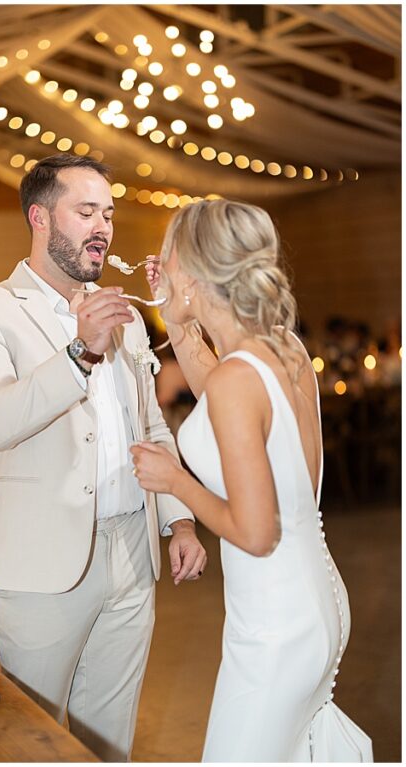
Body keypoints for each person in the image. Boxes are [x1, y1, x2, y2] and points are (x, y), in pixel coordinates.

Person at [0, 153, 206, 761]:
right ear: (39, 218)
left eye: (108, 214)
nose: (103, 227)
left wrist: (179, 519)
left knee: (109, 740)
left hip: (132, 556)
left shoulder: (127, 319)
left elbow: (149, 426)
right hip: (43, 565)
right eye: (85, 211)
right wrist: (78, 354)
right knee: (29, 738)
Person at [133, 199, 372, 761]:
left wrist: (175, 481)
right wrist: (176, 317)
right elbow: (219, 394)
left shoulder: (242, 376)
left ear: (192, 274)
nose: (158, 270)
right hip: (317, 597)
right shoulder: (281, 350)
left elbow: (256, 531)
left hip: (275, 622)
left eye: (166, 260)